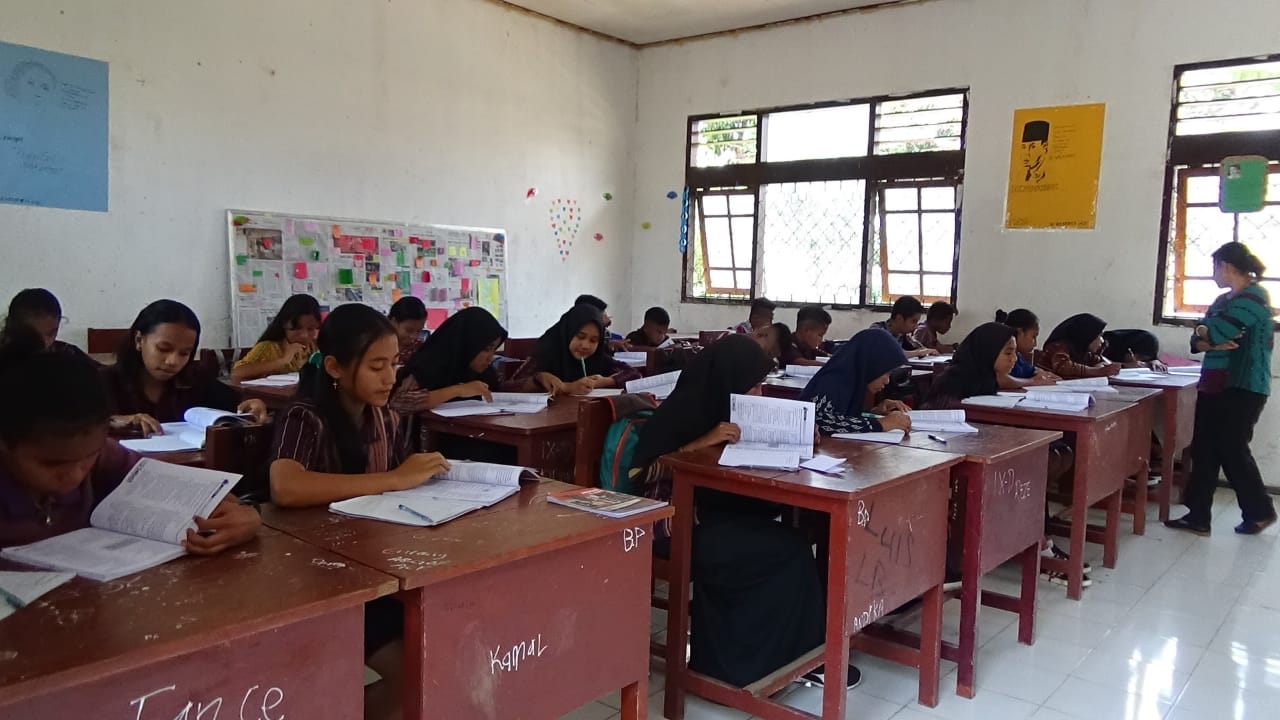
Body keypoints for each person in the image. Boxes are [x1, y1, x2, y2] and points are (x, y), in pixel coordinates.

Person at [628, 334, 859, 690]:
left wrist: (801, 439)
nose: (758, 397)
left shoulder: (731, 411)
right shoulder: (683, 412)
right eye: (750, 387)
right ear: (726, 381)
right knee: (787, 551)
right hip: (679, 526)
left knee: (796, 540)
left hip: (719, 516)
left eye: (760, 386)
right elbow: (643, 473)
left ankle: (793, 657)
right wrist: (700, 443)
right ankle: (747, 668)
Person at [266, 303, 450, 720]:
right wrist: (394, 479)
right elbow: (285, 485)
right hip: (318, 583)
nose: (391, 377)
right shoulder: (304, 416)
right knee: (414, 675)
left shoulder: (384, 418)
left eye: (395, 363)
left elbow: (401, 480)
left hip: (376, 569)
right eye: (377, 366)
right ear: (334, 367)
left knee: (439, 658)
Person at [0, 329, 260, 551]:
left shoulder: (104, 456)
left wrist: (247, 516)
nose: (74, 476)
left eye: (88, 459)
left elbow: (185, 490)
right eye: (52, 465)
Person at [924, 323, 1086, 585]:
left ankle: (1034, 541)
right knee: (1022, 468)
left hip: (980, 449)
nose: (1014, 360)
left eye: (1014, 354)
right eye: (1008, 354)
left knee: (1033, 460)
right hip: (945, 454)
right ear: (988, 353)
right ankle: (1032, 543)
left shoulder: (984, 375)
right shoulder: (956, 378)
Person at [1167, 242, 1276, 536]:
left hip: (1243, 387)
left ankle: (1260, 511)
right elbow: (1199, 337)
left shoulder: (1254, 299)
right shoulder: (1222, 301)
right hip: (1214, 384)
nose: (1214, 274)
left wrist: (1209, 332)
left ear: (1226, 267)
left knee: (1232, 447)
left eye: (1215, 267)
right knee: (1204, 448)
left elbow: (1214, 330)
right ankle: (1198, 515)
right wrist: (1205, 335)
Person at [103, 300, 268, 436]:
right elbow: (81, 424)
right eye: (163, 349)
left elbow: (238, 405)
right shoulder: (103, 382)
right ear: (139, 340)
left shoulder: (196, 381)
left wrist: (251, 406)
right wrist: (117, 421)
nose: (172, 361)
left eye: (184, 353)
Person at [504, 304, 641, 395]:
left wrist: (605, 381)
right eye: (580, 337)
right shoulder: (548, 352)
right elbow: (508, 387)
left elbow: (634, 374)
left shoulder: (597, 358)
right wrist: (539, 378)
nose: (585, 345)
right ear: (567, 333)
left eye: (594, 340)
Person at [800, 329, 912, 435]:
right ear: (871, 365)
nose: (887, 381)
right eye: (886, 372)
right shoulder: (833, 380)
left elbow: (844, 417)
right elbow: (818, 421)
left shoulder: (854, 381)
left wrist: (874, 413)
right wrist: (880, 424)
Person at [231, 294, 322, 382]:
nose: (304, 335)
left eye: (311, 329)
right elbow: (237, 373)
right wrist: (283, 360)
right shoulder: (268, 347)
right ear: (284, 324)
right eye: (296, 328)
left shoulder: (317, 345)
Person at [1, 288, 96, 366]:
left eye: (50, 334)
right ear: (11, 327)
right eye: (31, 335)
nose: (43, 342)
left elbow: (102, 374)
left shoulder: (67, 354)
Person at [1035, 313, 1121, 379]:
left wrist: (1101, 365)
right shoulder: (1059, 346)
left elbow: (1100, 361)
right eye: (1099, 336)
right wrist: (1097, 371)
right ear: (1087, 335)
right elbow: (1063, 366)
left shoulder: (1084, 351)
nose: (1102, 341)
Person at [995, 308, 1060, 388]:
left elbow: (1031, 371)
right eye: (1033, 337)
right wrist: (1032, 382)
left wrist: (1042, 374)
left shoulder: (1018, 357)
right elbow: (998, 378)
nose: (1035, 344)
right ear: (1020, 332)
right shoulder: (999, 352)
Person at [870, 296, 937, 359]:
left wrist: (927, 351)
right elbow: (889, 354)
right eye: (913, 321)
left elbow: (921, 348)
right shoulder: (876, 331)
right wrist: (919, 352)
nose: (916, 326)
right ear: (899, 319)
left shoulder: (902, 335)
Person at [388, 296, 428, 365]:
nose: (414, 336)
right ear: (393, 322)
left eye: (418, 331)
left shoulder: (421, 349)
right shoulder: (377, 344)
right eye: (409, 330)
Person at [1101, 329, 1167, 371]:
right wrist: (1125, 365)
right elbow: (1098, 366)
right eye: (1139, 358)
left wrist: (1154, 361)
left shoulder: (1146, 347)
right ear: (1129, 350)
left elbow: (1152, 359)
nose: (1139, 362)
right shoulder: (1105, 344)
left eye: (1143, 360)